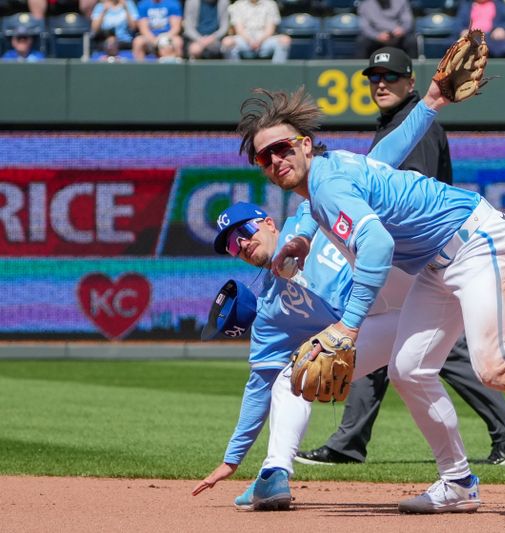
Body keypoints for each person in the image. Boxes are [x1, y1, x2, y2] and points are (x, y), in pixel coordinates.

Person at [256, 81, 505, 513]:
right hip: (437, 264)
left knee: (496, 363)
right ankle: (457, 482)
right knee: (409, 369)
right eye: (264, 157)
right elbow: (388, 153)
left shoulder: (327, 183)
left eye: (282, 148)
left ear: (303, 145)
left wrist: (348, 325)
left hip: (478, 240)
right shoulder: (333, 170)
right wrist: (429, 105)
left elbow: (377, 247)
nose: (276, 160)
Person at [193, 82, 464, 510]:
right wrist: (230, 460)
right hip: (393, 321)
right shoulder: (270, 308)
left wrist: (429, 105)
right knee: (292, 376)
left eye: (242, 232)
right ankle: (274, 475)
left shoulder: (315, 212)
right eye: (229, 245)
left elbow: (383, 157)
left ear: (266, 222)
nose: (240, 245)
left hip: (436, 281)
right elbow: (258, 384)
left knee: (494, 365)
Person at [296, 47, 505, 468]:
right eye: (374, 77)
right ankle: (350, 442)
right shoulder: (394, 124)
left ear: (411, 83)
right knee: (400, 348)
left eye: (391, 76)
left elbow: (414, 191)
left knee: (431, 350)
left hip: (430, 249)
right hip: (417, 255)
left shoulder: (414, 126)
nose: (381, 83)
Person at [221, 0, 290, 62]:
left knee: (285, 40)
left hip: (265, 41)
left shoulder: (270, 4)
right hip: (244, 41)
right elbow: (239, 30)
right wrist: (250, 41)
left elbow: (270, 30)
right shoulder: (238, 4)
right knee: (227, 42)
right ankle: (234, 73)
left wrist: (259, 41)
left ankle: (277, 73)